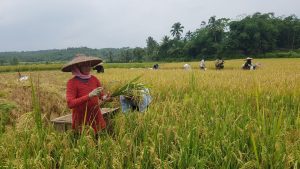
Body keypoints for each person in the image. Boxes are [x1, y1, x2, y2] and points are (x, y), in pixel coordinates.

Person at [62, 54, 110, 135]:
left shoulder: (94, 79)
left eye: (89, 65)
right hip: (81, 120)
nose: (88, 67)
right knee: (85, 144)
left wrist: (105, 97)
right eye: (84, 65)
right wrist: (89, 96)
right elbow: (70, 104)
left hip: (96, 117)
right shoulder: (72, 83)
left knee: (99, 143)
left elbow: (101, 96)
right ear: (77, 67)